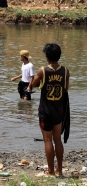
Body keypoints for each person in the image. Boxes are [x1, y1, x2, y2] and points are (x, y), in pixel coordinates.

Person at [30, 43, 70, 177]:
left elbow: (34, 85)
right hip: (59, 110)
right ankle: (60, 169)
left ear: (47, 56)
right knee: (57, 139)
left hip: (45, 111)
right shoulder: (65, 71)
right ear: (59, 56)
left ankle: (51, 171)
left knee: (48, 140)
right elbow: (65, 90)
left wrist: (34, 81)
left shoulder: (43, 70)